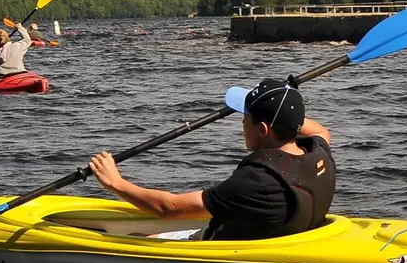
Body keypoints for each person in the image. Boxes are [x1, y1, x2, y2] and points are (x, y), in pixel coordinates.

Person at [87, 77, 336, 240]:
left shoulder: (257, 181)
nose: (241, 123)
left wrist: (116, 183)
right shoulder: (318, 152)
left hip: (226, 247)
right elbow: (319, 130)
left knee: (140, 239)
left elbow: (168, 208)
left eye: (245, 118)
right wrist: (282, 107)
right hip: (284, 234)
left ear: (262, 130)